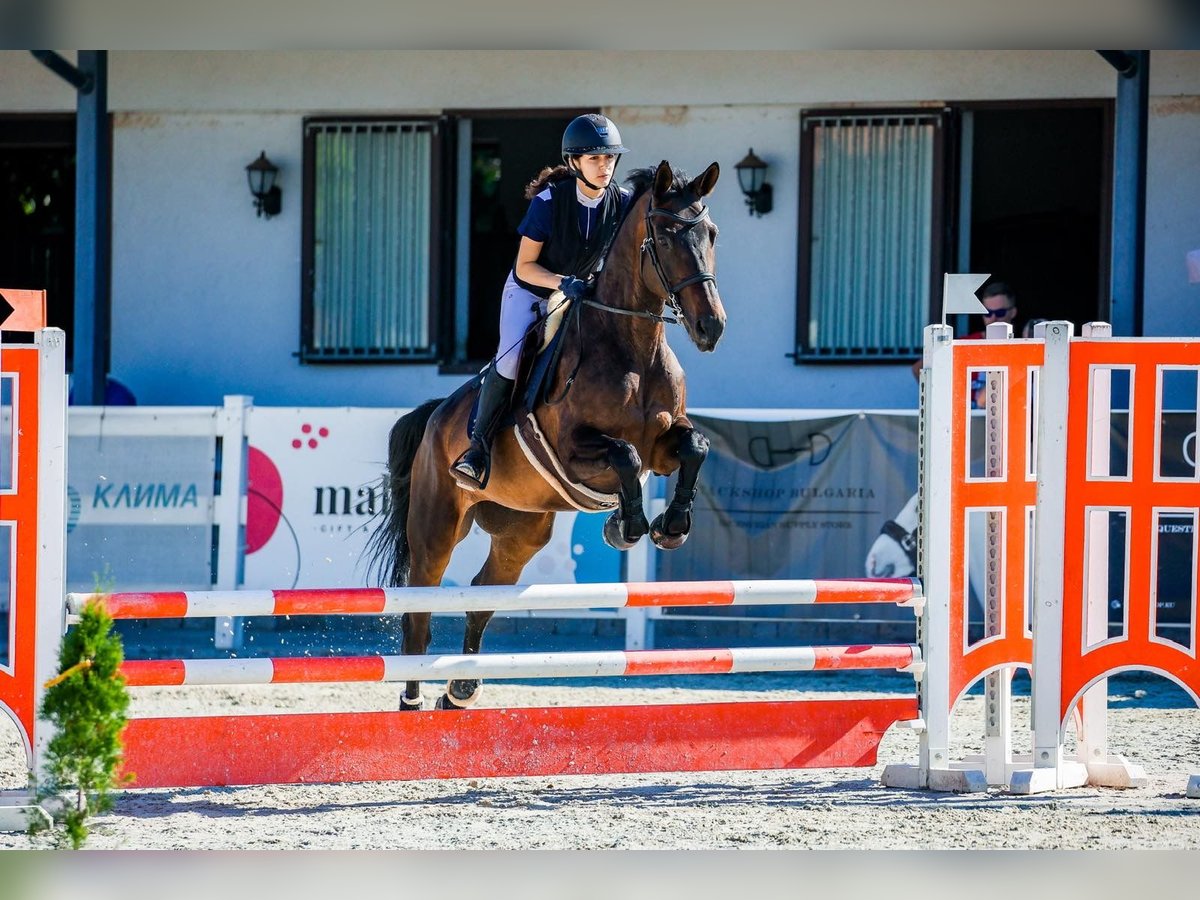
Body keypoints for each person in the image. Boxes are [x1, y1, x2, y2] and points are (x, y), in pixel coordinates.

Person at [450, 114, 633, 491]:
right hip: (531, 291)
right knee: (511, 358)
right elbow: (525, 267)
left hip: (579, 295)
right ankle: (478, 448)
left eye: (609, 158)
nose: (604, 167)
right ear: (574, 163)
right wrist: (564, 283)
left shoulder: (622, 203)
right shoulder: (550, 202)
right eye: (595, 159)